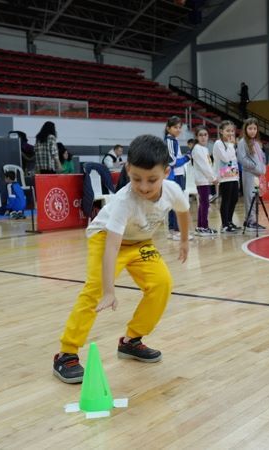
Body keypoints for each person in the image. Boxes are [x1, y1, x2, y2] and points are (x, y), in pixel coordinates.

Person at [52, 134, 191, 384]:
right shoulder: (124, 201)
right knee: (94, 291)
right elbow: (111, 246)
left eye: (152, 180)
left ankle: (131, 341)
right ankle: (66, 353)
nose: (144, 187)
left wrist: (183, 240)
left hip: (140, 242)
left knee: (162, 284)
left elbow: (184, 212)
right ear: (127, 170)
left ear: (167, 172)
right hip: (106, 238)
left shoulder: (173, 190)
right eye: (137, 179)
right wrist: (108, 290)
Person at [237, 118, 267, 232]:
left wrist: (262, 168)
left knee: (255, 197)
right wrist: (255, 167)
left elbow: (262, 158)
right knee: (250, 197)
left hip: (257, 174)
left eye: (254, 128)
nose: (252, 131)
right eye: (250, 128)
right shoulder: (242, 142)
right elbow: (242, 159)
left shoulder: (256, 143)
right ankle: (251, 222)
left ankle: (251, 220)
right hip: (249, 174)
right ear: (245, 129)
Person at [164, 116, 191, 240]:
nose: (178, 130)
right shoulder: (170, 140)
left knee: (175, 203)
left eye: (180, 127)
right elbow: (172, 161)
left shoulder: (174, 140)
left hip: (179, 175)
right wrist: (187, 158)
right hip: (173, 176)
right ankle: (175, 230)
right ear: (168, 128)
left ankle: (173, 230)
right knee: (176, 203)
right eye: (175, 127)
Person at [213, 121, 240, 233]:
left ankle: (229, 221)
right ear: (221, 131)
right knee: (226, 200)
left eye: (232, 131)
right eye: (227, 131)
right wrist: (231, 145)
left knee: (234, 199)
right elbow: (226, 158)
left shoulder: (230, 144)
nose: (230, 133)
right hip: (224, 176)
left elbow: (234, 159)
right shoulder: (218, 143)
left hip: (233, 174)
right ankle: (224, 224)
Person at [191, 126, 217, 236]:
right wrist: (213, 178)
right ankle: (203, 227)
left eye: (205, 135)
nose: (203, 137)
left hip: (205, 179)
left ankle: (201, 226)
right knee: (205, 204)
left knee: (203, 203)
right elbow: (204, 166)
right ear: (197, 137)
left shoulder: (205, 149)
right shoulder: (197, 148)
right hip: (202, 180)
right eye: (200, 135)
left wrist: (212, 176)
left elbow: (209, 165)